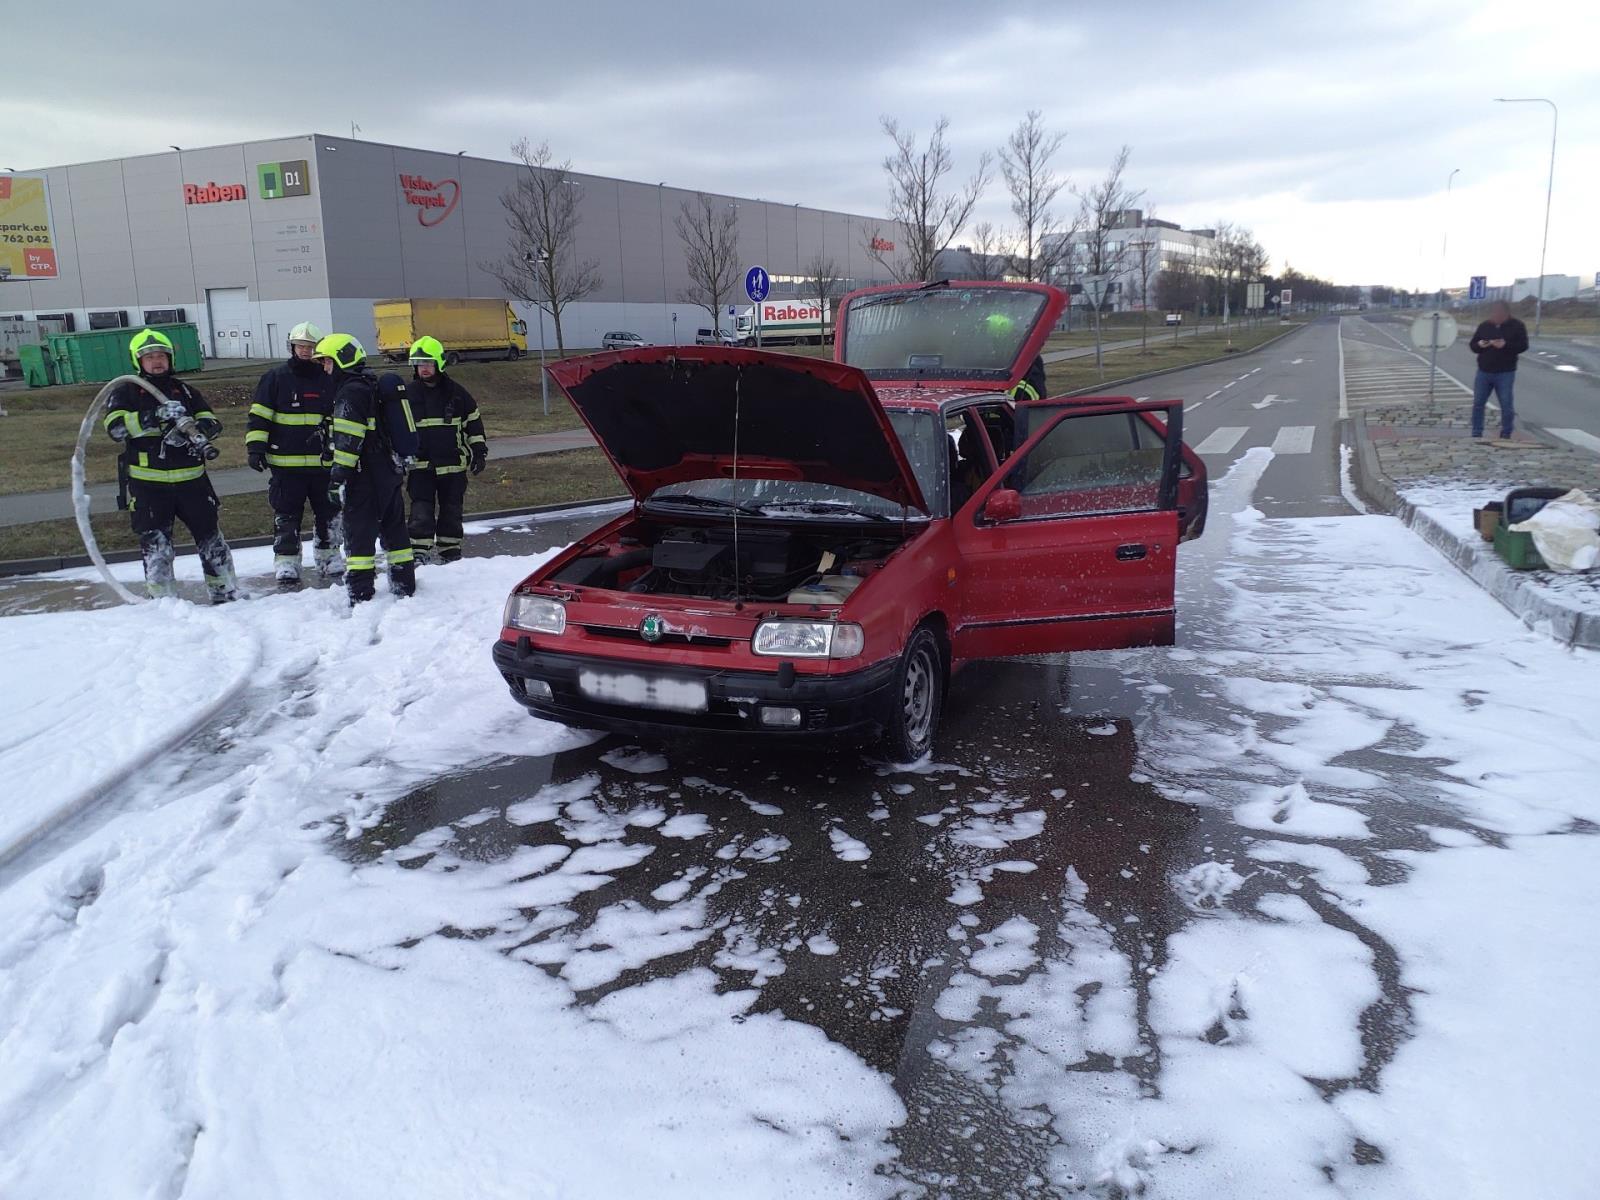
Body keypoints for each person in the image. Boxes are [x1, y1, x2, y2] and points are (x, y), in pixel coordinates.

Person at [103, 329, 240, 602]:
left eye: (161, 356)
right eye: (150, 357)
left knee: (213, 542)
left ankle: (226, 594)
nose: (157, 362)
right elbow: (115, 428)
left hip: (193, 483)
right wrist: (155, 415)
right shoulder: (126, 392)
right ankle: (164, 604)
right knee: (157, 548)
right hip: (149, 486)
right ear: (138, 361)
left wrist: (195, 430)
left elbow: (212, 422)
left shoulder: (186, 391)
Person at [317, 334, 419, 603]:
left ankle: (360, 592)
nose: (325, 368)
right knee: (394, 529)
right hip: (388, 471)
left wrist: (337, 477)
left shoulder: (350, 392)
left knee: (359, 535)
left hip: (364, 476)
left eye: (327, 362)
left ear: (341, 359)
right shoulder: (370, 385)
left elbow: (349, 441)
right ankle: (403, 584)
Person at [247, 321, 343, 585]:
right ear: (292, 347)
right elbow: (259, 416)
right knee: (286, 515)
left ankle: (330, 557)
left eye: (311, 347)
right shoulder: (275, 378)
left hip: (323, 464)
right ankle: (286, 562)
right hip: (285, 465)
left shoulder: (329, 378)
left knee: (329, 513)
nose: (305, 351)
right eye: (301, 346)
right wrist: (255, 447)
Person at [404, 335, 487, 563]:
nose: (424, 369)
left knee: (451, 511)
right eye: (420, 364)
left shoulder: (458, 394)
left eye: (428, 363)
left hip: (453, 467)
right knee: (420, 512)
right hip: (421, 467)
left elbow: (474, 423)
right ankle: (419, 553)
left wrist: (479, 451)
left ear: (439, 363)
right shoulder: (407, 395)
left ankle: (450, 552)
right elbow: (398, 430)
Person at [1468, 301, 1529, 440]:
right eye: (1493, 312)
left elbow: (1523, 346)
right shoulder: (1485, 326)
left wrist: (1505, 345)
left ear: (1506, 313)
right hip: (1484, 371)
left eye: (1498, 313)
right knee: (1478, 403)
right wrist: (1480, 344)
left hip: (1505, 371)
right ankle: (1476, 432)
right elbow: (1473, 346)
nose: (1495, 315)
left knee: (1506, 404)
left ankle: (1506, 432)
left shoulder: (1517, 326)